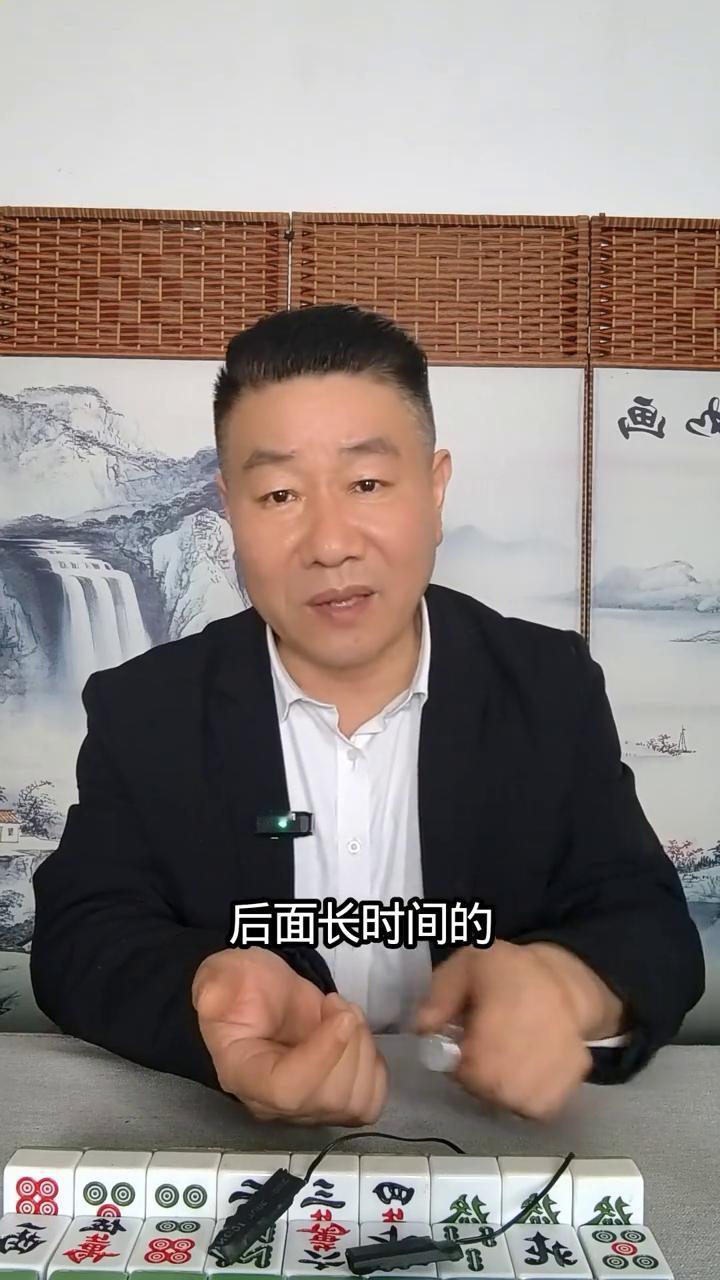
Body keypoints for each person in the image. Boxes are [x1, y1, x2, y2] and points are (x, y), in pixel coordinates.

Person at [31, 304, 704, 1127]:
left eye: (368, 484)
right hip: (237, 1139)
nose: (330, 543)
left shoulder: (546, 686)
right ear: (228, 509)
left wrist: (572, 984)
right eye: (279, 493)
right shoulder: (148, 708)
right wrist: (204, 988)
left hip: (489, 1134)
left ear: (435, 488)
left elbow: (647, 920)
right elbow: (80, 933)